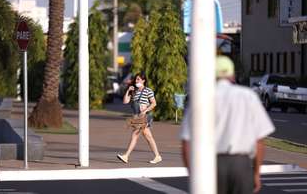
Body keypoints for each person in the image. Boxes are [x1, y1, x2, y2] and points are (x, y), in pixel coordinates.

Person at [180, 56, 275, 194]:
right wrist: (256, 173)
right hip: (241, 164)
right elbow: (259, 141)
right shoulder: (248, 96)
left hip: (211, 165)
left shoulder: (202, 97)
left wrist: (193, 174)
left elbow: (186, 143)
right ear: (232, 75)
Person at [117, 72, 162, 164]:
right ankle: (157, 156)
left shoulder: (148, 91)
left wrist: (145, 110)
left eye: (138, 79)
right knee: (148, 136)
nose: (136, 81)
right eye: (136, 79)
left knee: (135, 135)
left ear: (143, 80)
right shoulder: (134, 91)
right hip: (136, 117)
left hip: (144, 116)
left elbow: (154, 103)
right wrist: (128, 91)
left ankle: (126, 156)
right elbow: (125, 101)